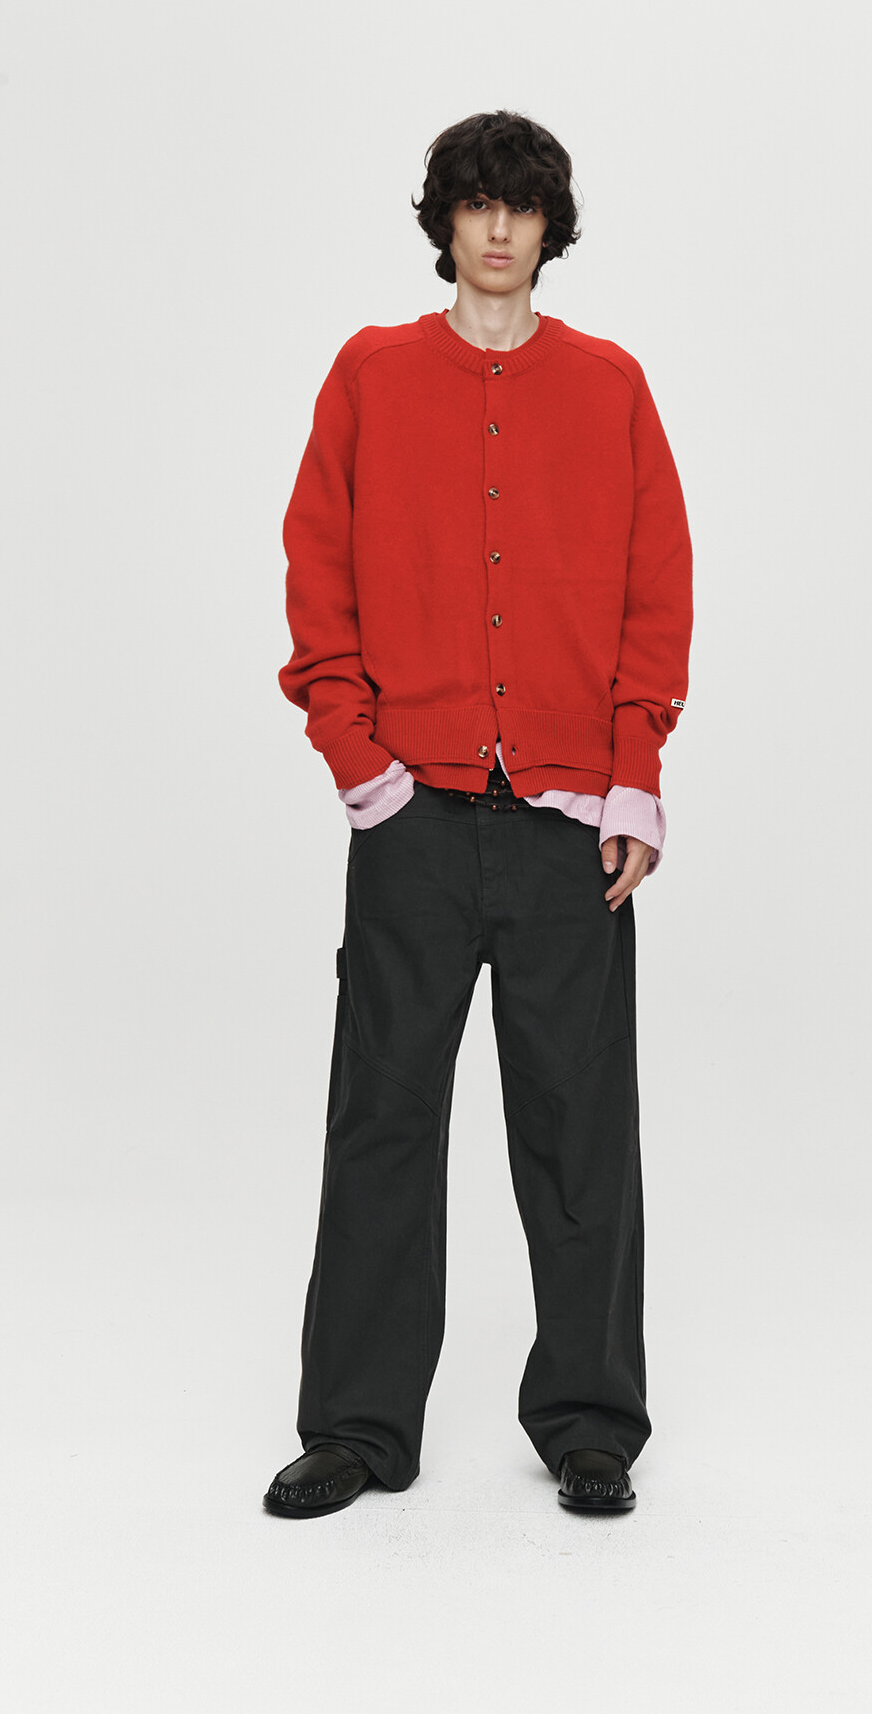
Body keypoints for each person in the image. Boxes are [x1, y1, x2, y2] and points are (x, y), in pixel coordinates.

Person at [265, 109, 693, 1518]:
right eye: (474, 204)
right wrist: (360, 763)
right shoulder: (371, 375)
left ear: (550, 227)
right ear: (443, 222)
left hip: (572, 821)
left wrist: (634, 773)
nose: (498, 228)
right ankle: (357, 1426)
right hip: (413, 817)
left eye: (521, 206)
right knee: (382, 1117)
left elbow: (655, 589)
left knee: (580, 1128)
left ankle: (590, 1425)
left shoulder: (611, 388)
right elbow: (317, 569)